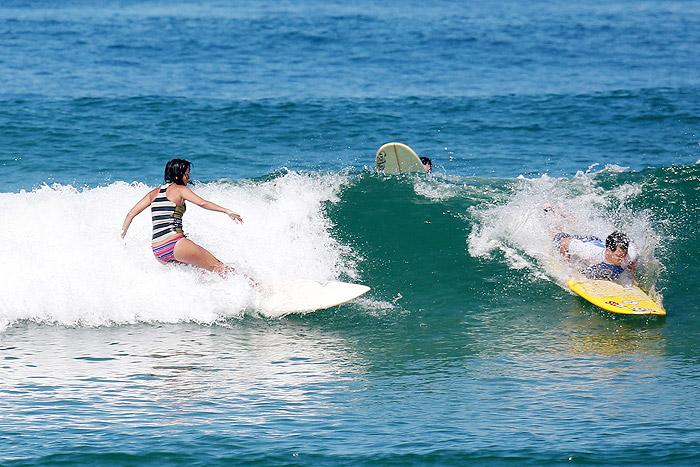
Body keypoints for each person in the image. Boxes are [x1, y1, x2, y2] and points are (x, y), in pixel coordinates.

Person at [121, 158, 243, 276]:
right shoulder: (180, 189)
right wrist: (226, 211)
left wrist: (121, 237)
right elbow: (202, 203)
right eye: (186, 174)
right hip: (175, 244)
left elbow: (130, 214)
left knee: (201, 274)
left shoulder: (153, 193)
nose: (188, 178)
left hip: (159, 251)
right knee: (220, 268)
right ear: (177, 176)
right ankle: (257, 288)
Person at [556, 230, 637, 282]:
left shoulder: (630, 254)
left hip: (598, 242)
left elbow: (633, 260)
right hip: (586, 241)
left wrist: (631, 275)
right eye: (619, 256)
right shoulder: (589, 253)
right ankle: (549, 210)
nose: (623, 259)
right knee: (557, 235)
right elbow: (564, 242)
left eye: (624, 255)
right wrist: (567, 268)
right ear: (608, 251)